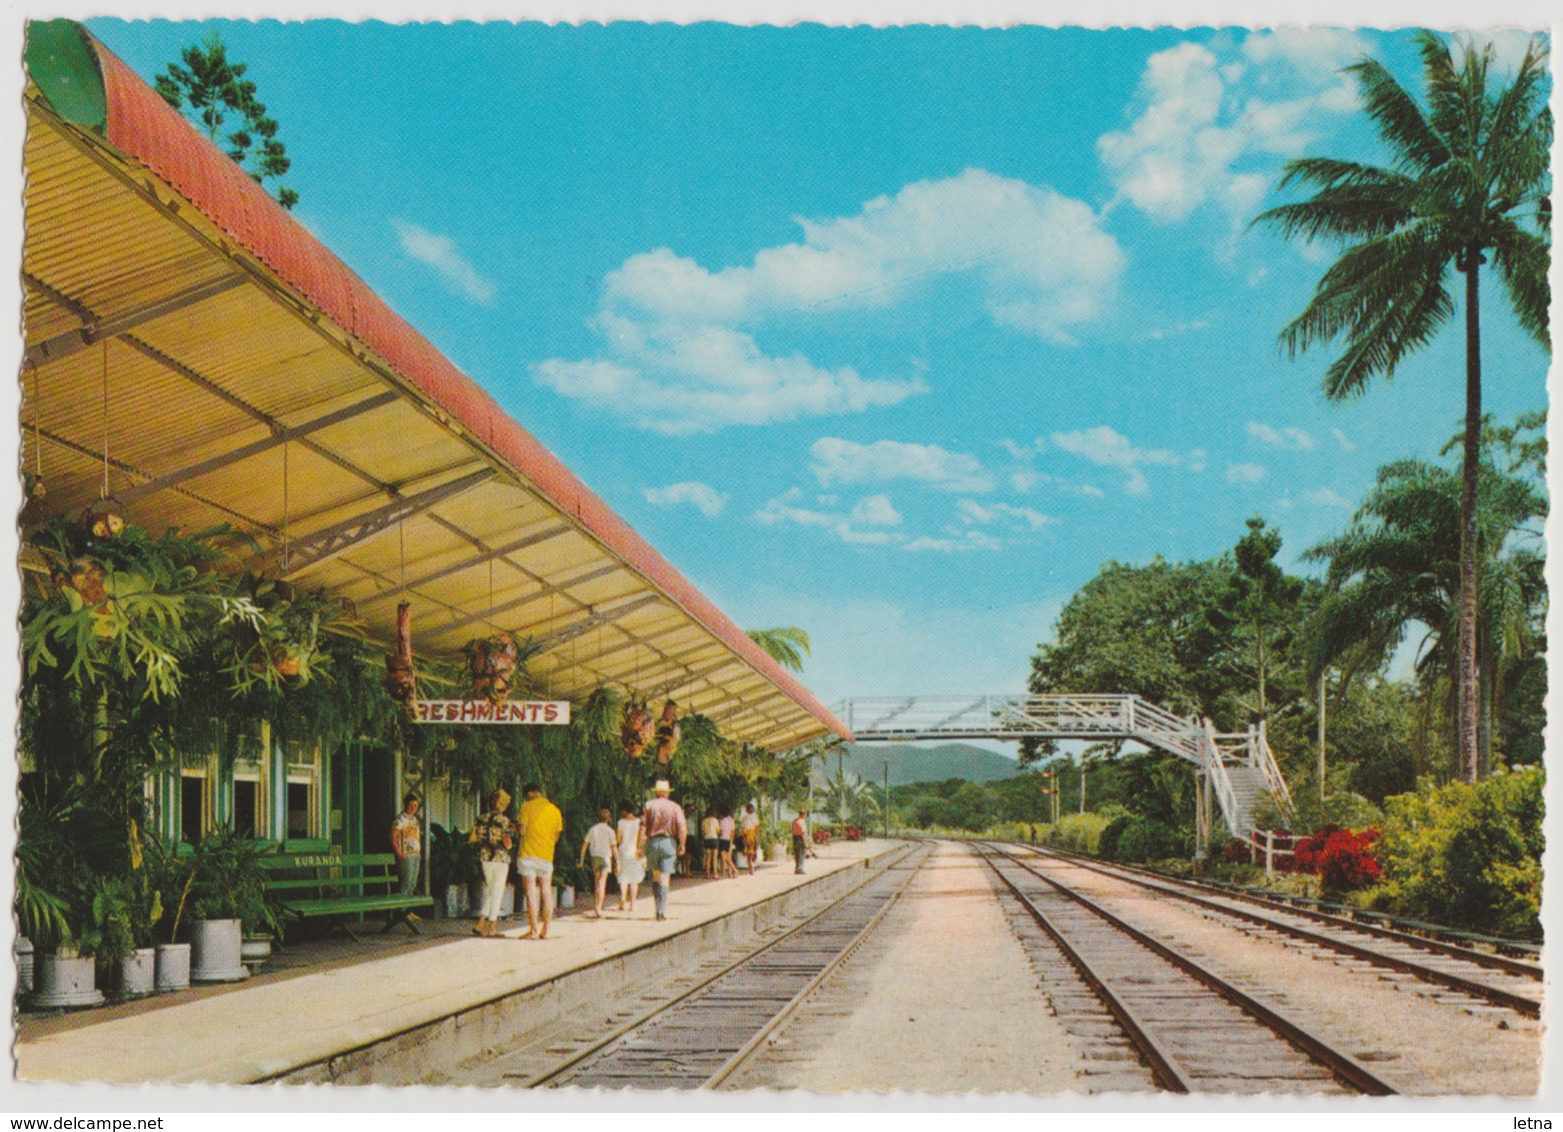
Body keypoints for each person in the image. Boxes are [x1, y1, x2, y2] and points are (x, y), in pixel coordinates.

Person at [516, 782, 564, 940]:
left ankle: (533, 930)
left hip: (528, 854)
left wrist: (516, 828)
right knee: (546, 891)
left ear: (530, 793)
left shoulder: (526, 807)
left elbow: (522, 830)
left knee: (531, 892)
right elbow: (556, 837)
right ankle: (547, 929)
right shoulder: (555, 810)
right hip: (546, 856)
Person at [470, 789, 515, 938]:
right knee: (497, 891)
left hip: (485, 857)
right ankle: (492, 927)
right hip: (500, 858)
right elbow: (507, 842)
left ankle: (480, 922)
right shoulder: (504, 821)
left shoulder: (480, 818)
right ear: (503, 804)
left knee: (491, 890)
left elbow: (473, 838)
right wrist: (510, 846)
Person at [641, 780, 687, 922]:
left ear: (656, 792)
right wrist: (682, 844)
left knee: (655, 875)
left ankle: (657, 908)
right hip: (669, 843)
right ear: (667, 793)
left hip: (653, 842)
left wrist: (640, 846)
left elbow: (643, 828)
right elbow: (682, 827)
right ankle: (662, 911)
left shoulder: (648, 805)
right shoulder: (675, 807)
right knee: (665, 877)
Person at [578, 806, 618, 919]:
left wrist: (581, 859)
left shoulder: (593, 829)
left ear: (597, 818)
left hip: (595, 857)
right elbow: (614, 848)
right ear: (608, 819)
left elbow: (584, 845)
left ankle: (596, 904)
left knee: (597, 882)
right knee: (602, 882)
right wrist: (618, 862)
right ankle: (598, 907)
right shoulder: (610, 831)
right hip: (605, 857)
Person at [390, 793, 423, 915]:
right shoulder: (400, 820)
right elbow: (393, 837)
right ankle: (401, 911)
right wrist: (399, 853)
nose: (413, 808)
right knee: (405, 883)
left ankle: (408, 911)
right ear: (406, 805)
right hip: (405, 854)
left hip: (415, 854)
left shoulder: (414, 820)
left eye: (416, 806)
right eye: (411, 805)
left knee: (412, 884)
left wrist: (419, 852)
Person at [615, 801, 645, 912]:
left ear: (624, 810)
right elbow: (642, 837)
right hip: (635, 852)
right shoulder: (638, 822)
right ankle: (633, 904)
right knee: (634, 879)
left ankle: (623, 902)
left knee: (623, 878)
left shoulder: (621, 822)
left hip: (623, 851)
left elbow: (618, 839)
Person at [739, 803, 760, 875]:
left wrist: (743, 837)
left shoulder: (745, 818)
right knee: (752, 852)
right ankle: (751, 866)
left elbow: (743, 829)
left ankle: (750, 866)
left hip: (748, 835)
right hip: (751, 836)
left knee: (748, 852)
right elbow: (756, 828)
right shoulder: (754, 817)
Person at [791, 808, 813, 875]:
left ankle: (797, 868)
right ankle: (800, 868)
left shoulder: (795, 821)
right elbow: (803, 833)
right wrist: (806, 843)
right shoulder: (801, 822)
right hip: (800, 838)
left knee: (797, 854)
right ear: (804, 814)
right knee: (801, 854)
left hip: (795, 838)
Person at [717, 808, 737, 878]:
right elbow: (733, 831)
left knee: (724, 858)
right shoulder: (731, 820)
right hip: (728, 840)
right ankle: (731, 872)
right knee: (728, 857)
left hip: (722, 840)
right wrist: (732, 840)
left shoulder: (721, 821)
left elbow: (720, 832)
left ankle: (734, 870)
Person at [700, 811, 720, 877]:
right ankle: (715, 873)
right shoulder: (715, 820)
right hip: (714, 838)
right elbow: (718, 830)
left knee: (708, 857)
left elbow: (702, 831)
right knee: (714, 857)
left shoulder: (704, 821)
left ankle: (707, 873)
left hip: (706, 838)